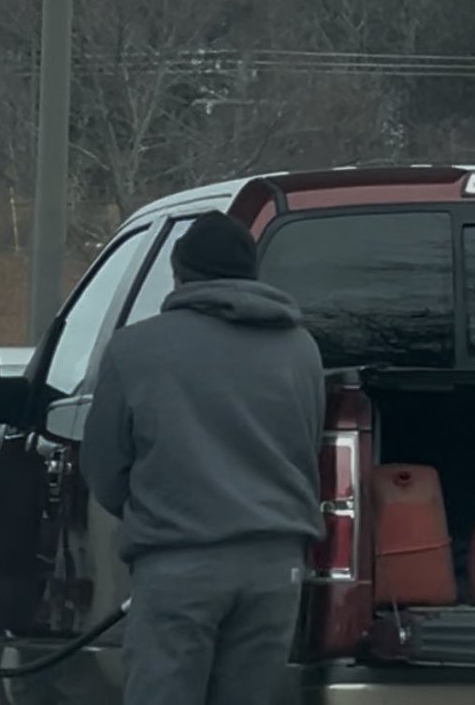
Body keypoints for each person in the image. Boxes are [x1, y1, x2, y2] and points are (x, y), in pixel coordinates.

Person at [81, 210, 325, 705]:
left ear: (180, 275)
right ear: (251, 272)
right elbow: (308, 444)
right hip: (276, 568)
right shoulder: (302, 349)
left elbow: (105, 467)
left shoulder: (135, 349)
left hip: (178, 563)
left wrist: (156, 510)